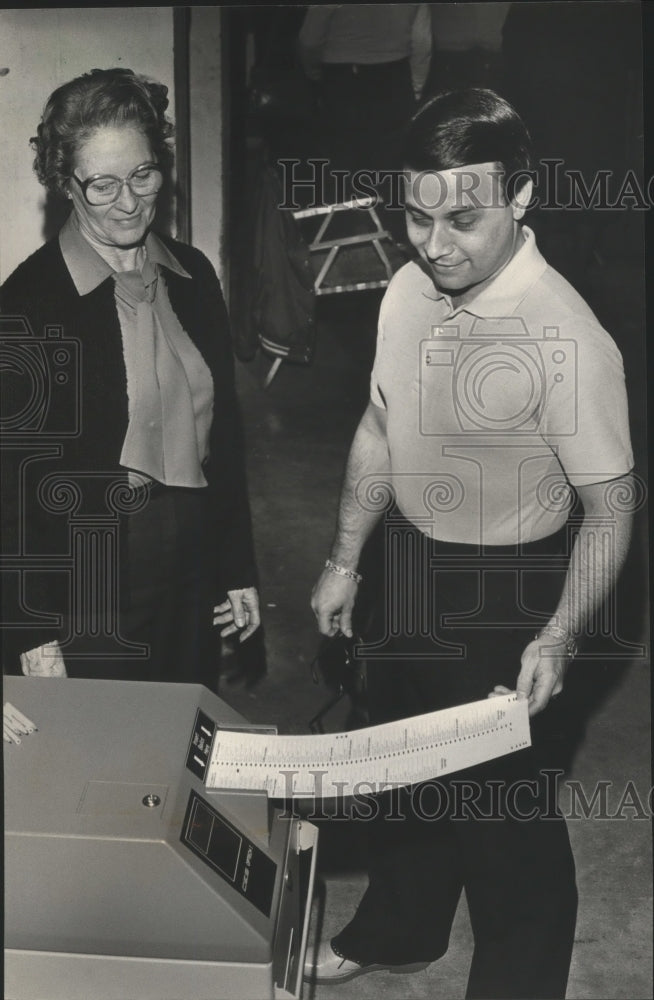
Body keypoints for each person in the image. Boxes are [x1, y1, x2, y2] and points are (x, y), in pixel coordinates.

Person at [308, 89, 634, 998]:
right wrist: (344, 557)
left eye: (462, 218)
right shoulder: (411, 287)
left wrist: (559, 636)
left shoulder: (568, 337)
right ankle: (400, 930)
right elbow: (378, 426)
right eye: (416, 215)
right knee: (405, 771)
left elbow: (612, 506)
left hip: (508, 592)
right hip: (408, 561)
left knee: (504, 823)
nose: (434, 242)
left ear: (521, 197)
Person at [1, 68, 260, 685]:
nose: (128, 200)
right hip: (89, 566)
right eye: (102, 184)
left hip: (191, 547)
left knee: (184, 720)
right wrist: (28, 627)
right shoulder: (29, 303)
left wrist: (237, 566)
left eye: (143, 175)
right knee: (104, 749)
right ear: (66, 184)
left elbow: (223, 440)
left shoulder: (193, 275)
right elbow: (8, 485)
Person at [298, 4, 432, 206]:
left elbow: (309, 40)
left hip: (342, 79)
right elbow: (422, 41)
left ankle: (345, 228)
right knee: (390, 167)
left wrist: (316, 75)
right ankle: (390, 231)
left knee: (341, 166)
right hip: (394, 78)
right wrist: (416, 88)